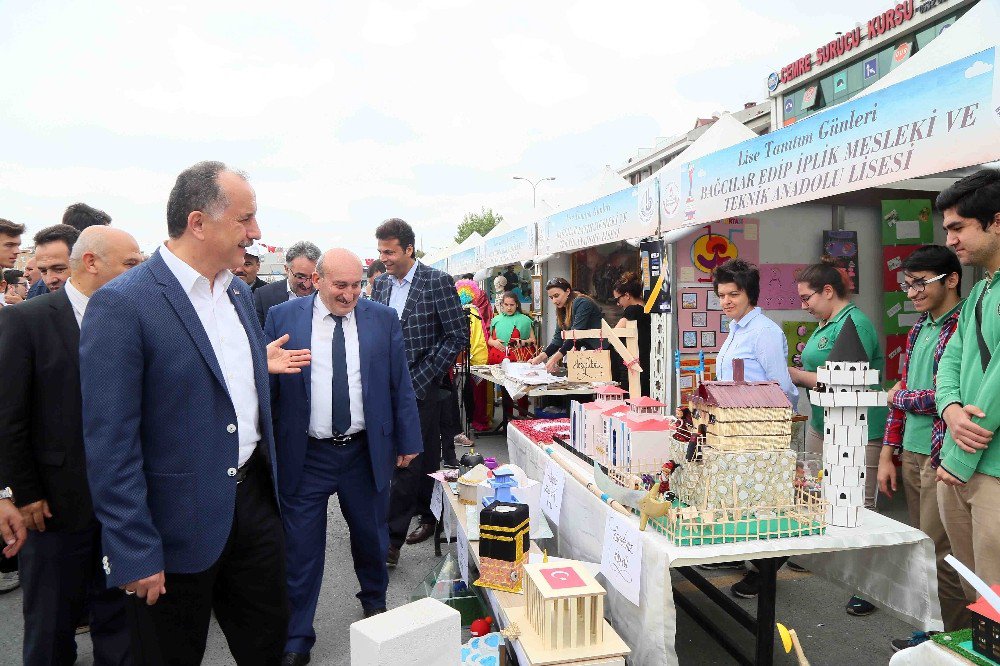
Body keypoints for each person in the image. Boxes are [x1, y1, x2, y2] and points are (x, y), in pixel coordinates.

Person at [80, 161, 309, 665]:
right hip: (173, 524)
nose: (256, 233)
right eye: (245, 220)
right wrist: (134, 548)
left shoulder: (237, 294)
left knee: (267, 644)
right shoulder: (125, 303)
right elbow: (109, 441)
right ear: (198, 222)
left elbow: (219, 387)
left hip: (252, 506)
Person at [265, 248, 420, 665]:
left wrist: (408, 441)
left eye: (357, 285)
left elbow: (398, 384)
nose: (350, 295)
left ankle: (374, 601)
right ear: (317, 280)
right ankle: (297, 637)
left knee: (371, 536)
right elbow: (269, 390)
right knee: (300, 550)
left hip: (363, 452)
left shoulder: (382, 319)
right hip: (306, 454)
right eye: (340, 285)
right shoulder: (283, 318)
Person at [0, 226, 142, 665]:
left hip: (122, 504)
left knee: (120, 621)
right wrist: (20, 493)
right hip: (52, 508)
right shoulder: (27, 320)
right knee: (51, 625)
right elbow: (9, 416)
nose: (140, 274)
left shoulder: (133, 317)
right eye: (131, 265)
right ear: (93, 262)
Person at [874, 245, 967, 650]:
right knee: (925, 551)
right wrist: (886, 454)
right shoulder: (918, 329)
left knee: (940, 555)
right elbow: (903, 393)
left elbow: (951, 398)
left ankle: (954, 641)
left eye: (918, 284)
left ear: (951, 279)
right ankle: (935, 632)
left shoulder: (965, 325)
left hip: (943, 454)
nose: (911, 293)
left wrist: (900, 397)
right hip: (911, 451)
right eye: (907, 285)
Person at [791, 257, 887, 617]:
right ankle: (827, 558)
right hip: (823, 419)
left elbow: (847, 378)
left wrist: (799, 376)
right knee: (825, 493)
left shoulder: (855, 325)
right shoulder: (826, 322)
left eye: (807, 297)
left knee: (860, 505)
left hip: (857, 424)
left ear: (828, 291)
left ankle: (869, 585)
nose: (803, 305)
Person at [371, 218, 465, 566]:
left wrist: (420, 378)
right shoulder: (380, 286)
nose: (384, 258)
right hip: (384, 388)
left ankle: (391, 541)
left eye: (390, 251)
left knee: (410, 461)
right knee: (401, 457)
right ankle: (427, 513)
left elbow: (456, 335)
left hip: (421, 387)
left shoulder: (436, 281)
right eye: (381, 251)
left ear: (409, 249)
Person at [933, 169, 1000, 611]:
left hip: (987, 466)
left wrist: (958, 454)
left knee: (994, 600)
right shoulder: (979, 291)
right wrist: (950, 408)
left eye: (958, 228)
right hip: (960, 459)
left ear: (996, 221)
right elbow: (951, 360)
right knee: (975, 594)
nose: (951, 241)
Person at [529, 277, 604, 374]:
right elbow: (557, 340)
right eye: (551, 298)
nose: (554, 301)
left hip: (599, 353)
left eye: (556, 296)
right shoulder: (562, 309)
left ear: (568, 291)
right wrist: (539, 358)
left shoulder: (582, 302)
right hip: (585, 355)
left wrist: (554, 359)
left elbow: (575, 335)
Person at [489, 291, 536, 419]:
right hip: (501, 359)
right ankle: (507, 419)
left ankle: (523, 417)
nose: (509, 307)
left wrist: (523, 342)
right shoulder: (496, 320)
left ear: (517, 305)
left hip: (520, 358)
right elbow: (489, 339)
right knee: (506, 389)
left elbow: (533, 340)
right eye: (506, 304)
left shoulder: (526, 320)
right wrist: (493, 342)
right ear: (502, 305)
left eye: (512, 304)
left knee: (522, 389)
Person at [254, 241, 321, 327]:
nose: (307, 285)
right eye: (300, 277)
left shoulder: (324, 296)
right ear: (286, 269)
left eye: (313, 278)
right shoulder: (264, 296)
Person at [456, 280, 491, 433]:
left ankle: (472, 421)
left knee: (466, 393)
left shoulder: (468, 312)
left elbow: (474, 336)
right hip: (477, 356)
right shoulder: (475, 310)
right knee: (476, 393)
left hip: (471, 358)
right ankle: (477, 419)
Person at [612, 272, 652, 397]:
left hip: (632, 367)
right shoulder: (647, 307)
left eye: (618, 299)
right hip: (645, 364)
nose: (618, 304)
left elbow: (614, 335)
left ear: (627, 295)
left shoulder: (633, 310)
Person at [33, 224, 80, 292]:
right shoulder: (36, 296)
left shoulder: (99, 299)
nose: (49, 280)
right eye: (43, 271)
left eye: (59, 269)